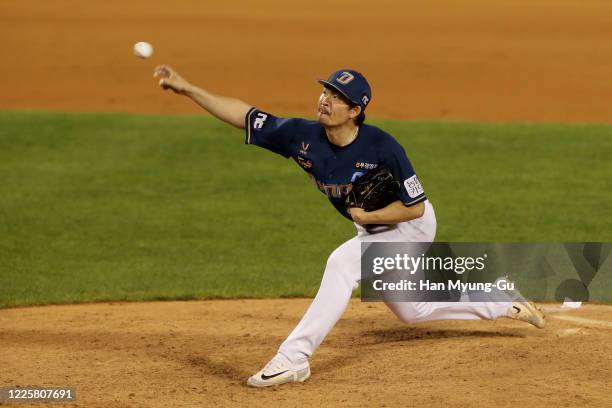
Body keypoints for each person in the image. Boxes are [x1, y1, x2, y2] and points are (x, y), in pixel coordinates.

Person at [153, 66, 546, 387]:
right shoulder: (301, 136)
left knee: (342, 264)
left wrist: (369, 217)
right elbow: (245, 116)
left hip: (409, 228)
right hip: (373, 231)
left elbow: (415, 208)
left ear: (356, 110)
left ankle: (293, 359)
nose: (326, 99)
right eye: (325, 91)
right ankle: (497, 297)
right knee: (412, 311)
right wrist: (188, 89)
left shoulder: (382, 147)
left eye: (337, 97)